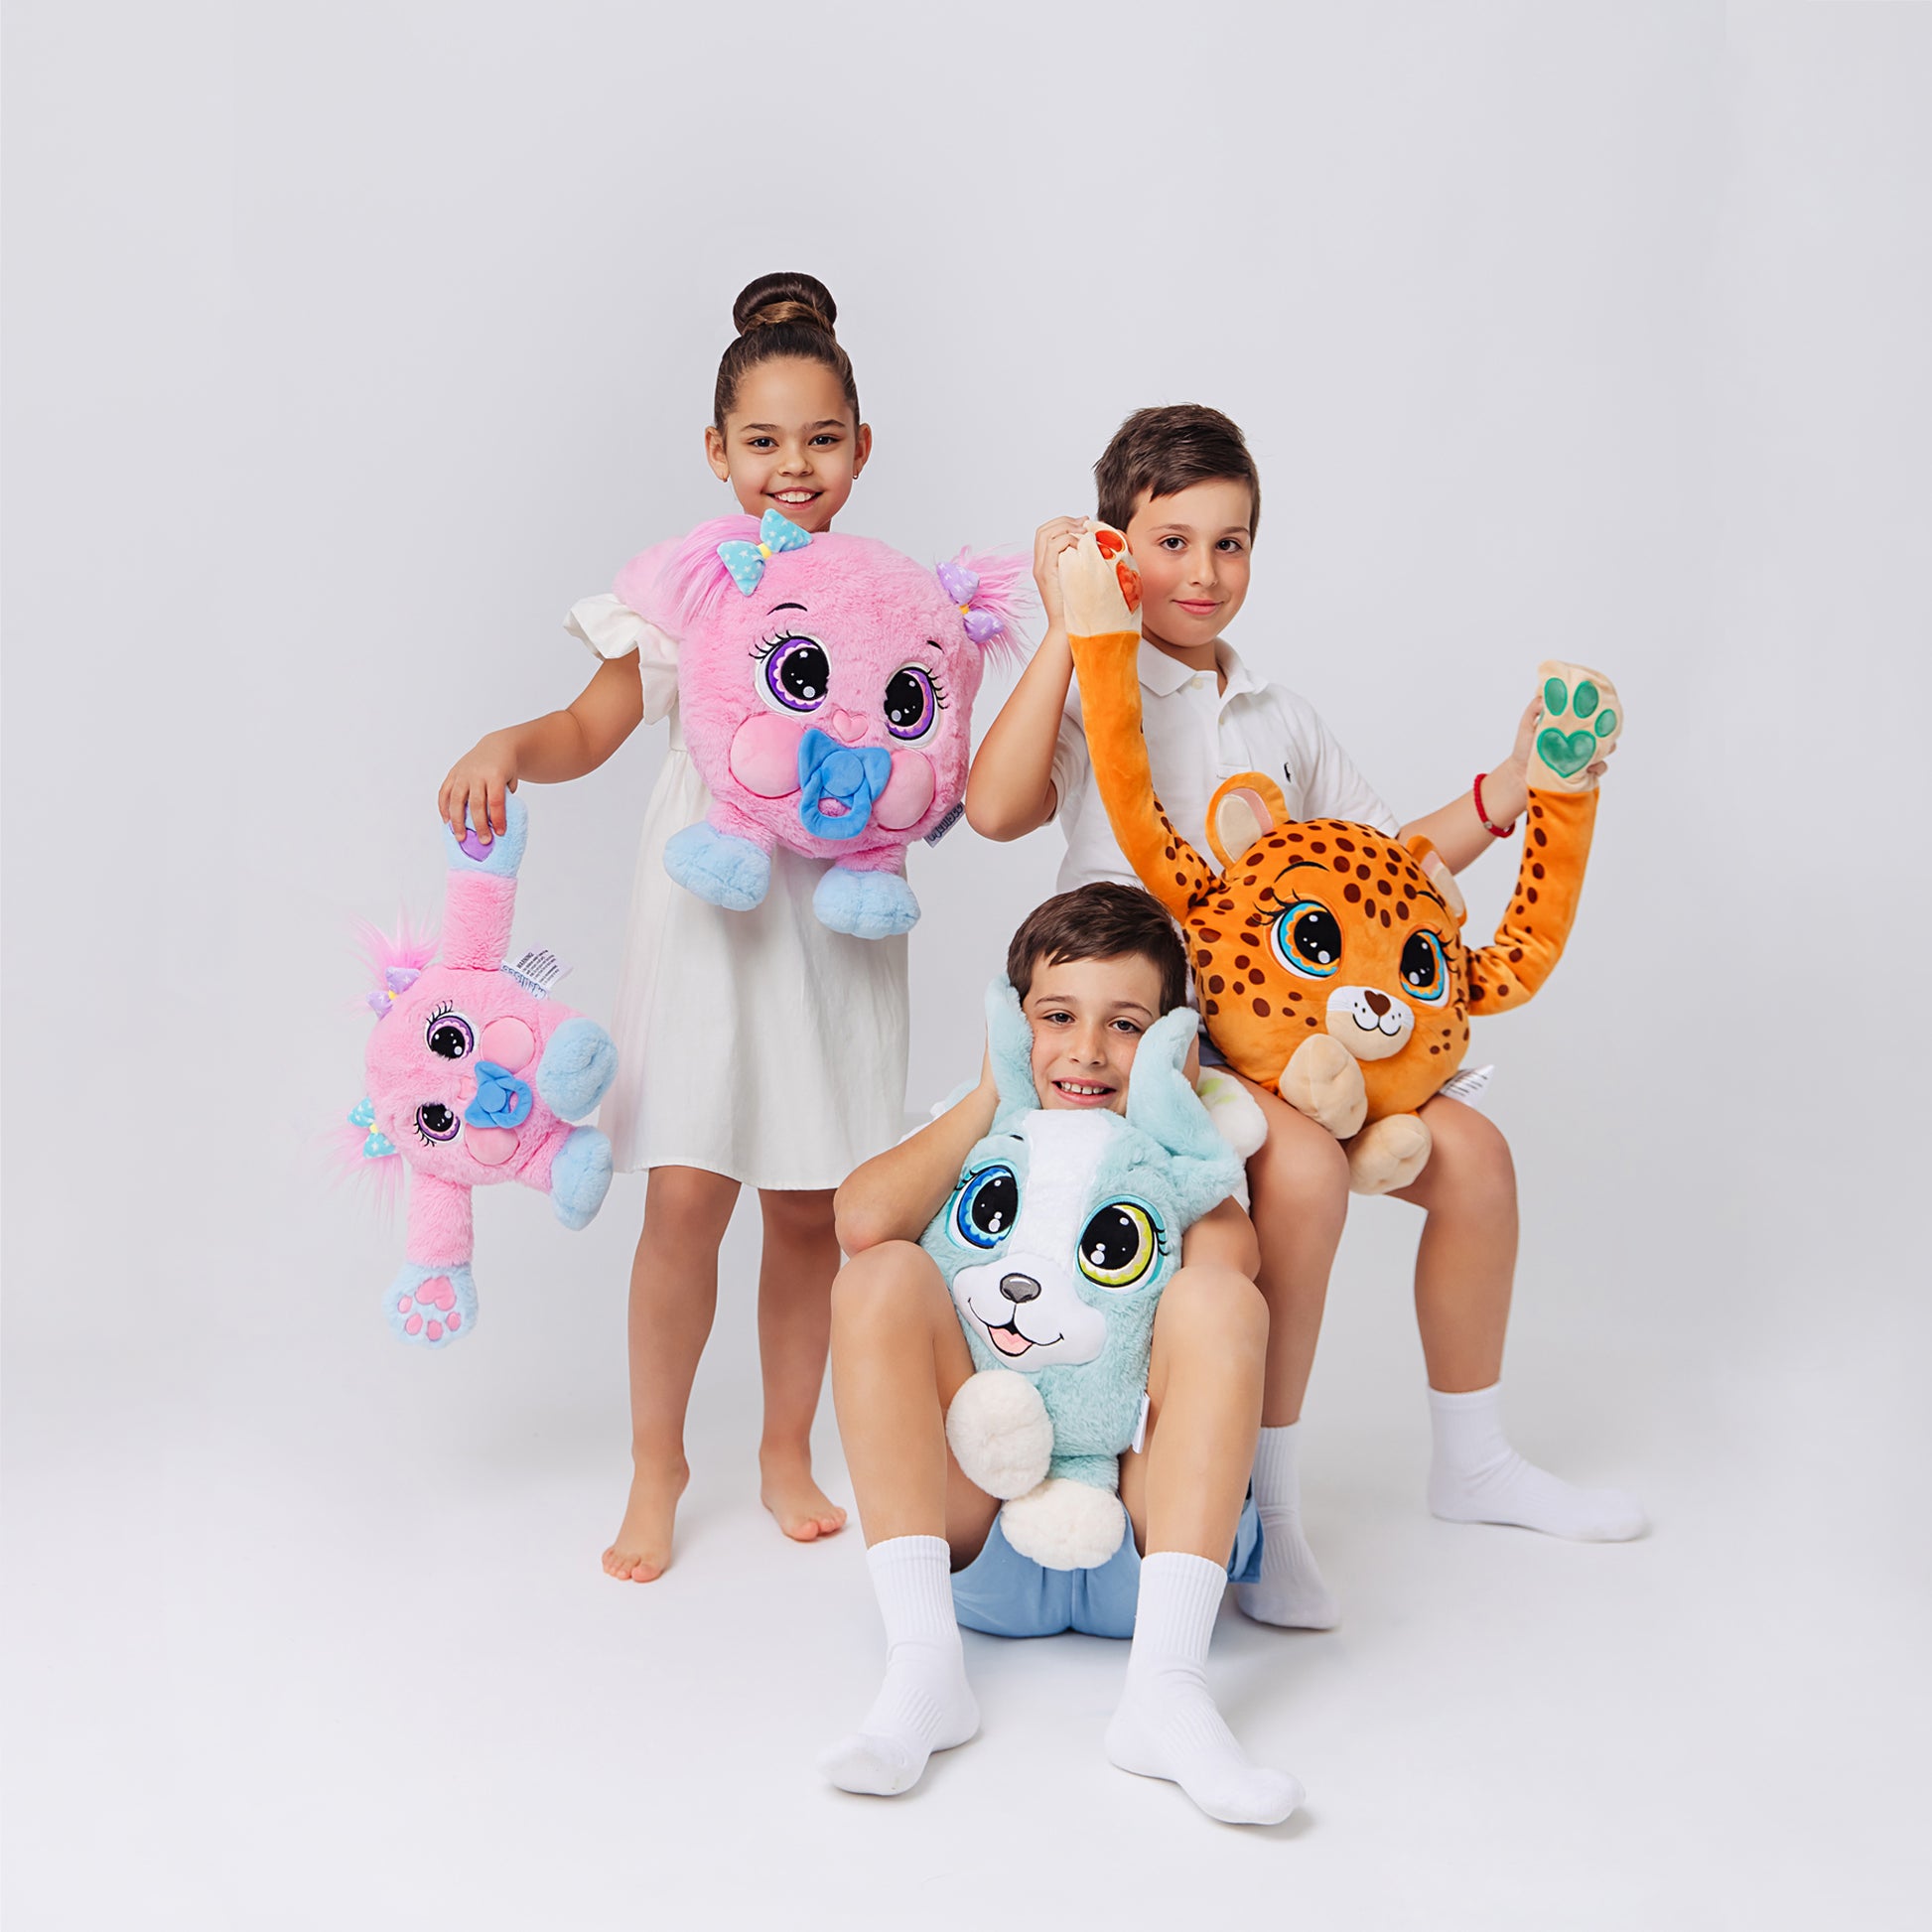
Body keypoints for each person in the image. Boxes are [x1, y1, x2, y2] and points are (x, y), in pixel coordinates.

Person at [966, 404, 1643, 1632]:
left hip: (1294, 1025)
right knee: (1308, 1175)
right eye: (1170, 541)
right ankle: (1269, 1514)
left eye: (1230, 543)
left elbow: (1381, 866)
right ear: (1119, 547)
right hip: (1153, 1038)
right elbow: (995, 806)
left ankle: (1472, 1455)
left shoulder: (1276, 712)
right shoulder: (1093, 683)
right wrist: (1074, 630)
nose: (1203, 572)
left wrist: (1510, 790)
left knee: (1477, 1157)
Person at [438, 272, 883, 1581]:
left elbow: (928, 742)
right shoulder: (684, 589)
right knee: (685, 1197)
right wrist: (507, 745)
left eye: (820, 439)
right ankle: (657, 1464)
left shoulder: (875, 596)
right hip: (704, 915)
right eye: (763, 441)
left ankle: (784, 1448)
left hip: (831, 917)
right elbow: (590, 724)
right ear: (717, 454)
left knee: (810, 1204)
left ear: (861, 448)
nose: (791, 466)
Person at [821, 883, 1301, 1824]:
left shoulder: (1178, 1153)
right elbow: (862, 1219)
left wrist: (1168, 1121)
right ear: (1015, 1023)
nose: (1086, 1050)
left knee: (1215, 1297)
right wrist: (994, 1093)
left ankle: (1166, 1690)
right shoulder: (986, 1136)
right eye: (1056, 1018)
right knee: (877, 1277)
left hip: (1143, 1532)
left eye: (1126, 1026)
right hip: (981, 1535)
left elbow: (1230, 1271)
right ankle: (924, 1671)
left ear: (1171, 1043)